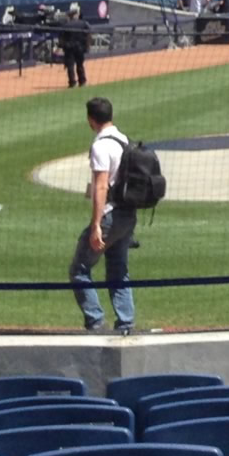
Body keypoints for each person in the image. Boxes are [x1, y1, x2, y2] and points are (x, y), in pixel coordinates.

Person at [72, 96, 136, 334]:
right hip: (127, 215)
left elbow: (101, 186)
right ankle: (126, 322)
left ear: (91, 119)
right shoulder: (124, 140)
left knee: (79, 269)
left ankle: (95, 321)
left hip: (109, 215)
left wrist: (96, 224)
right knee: (119, 269)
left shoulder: (100, 146)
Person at [59, 2, 89, 88]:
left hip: (69, 48)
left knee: (70, 66)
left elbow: (62, 38)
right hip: (80, 47)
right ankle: (82, 81)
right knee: (80, 65)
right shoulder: (83, 23)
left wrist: (63, 46)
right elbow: (88, 35)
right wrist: (86, 47)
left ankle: (72, 82)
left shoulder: (66, 25)